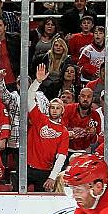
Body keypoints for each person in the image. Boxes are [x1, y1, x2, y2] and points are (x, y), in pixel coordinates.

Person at [25, 64, 69, 192]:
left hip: (45, 172)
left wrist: (52, 177)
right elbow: (29, 98)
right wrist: (37, 81)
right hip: (27, 168)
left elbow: (61, 157)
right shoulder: (40, 118)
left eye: (58, 108)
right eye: (52, 107)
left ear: (62, 111)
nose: (54, 110)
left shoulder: (63, 132)